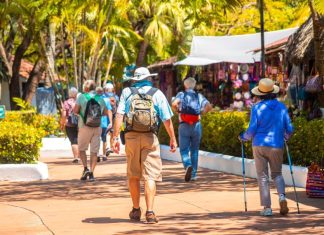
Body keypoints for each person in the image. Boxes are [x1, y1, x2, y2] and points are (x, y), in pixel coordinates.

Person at [112, 67, 177, 224]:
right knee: (150, 175)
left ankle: (135, 210)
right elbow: (166, 119)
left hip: (131, 136)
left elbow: (119, 114)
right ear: (149, 78)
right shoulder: (157, 93)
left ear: (135, 79)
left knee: (133, 174)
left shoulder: (127, 92)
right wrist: (173, 138)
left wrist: (114, 137)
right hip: (150, 137)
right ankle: (150, 212)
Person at [239, 78, 294, 217]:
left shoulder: (257, 107)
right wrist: (286, 138)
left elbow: (252, 129)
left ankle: (267, 208)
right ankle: (282, 197)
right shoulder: (282, 107)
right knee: (277, 174)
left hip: (259, 145)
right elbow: (290, 128)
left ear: (260, 93)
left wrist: (243, 137)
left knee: (262, 176)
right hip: (277, 144)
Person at [172, 77, 212, 182]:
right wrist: (202, 112)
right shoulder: (198, 96)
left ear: (185, 85)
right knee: (194, 150)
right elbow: (209, 106)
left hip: (184, 125)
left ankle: (187, 165)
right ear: (194, 86)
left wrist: (178, 111)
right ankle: (193, 174)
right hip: (196, 125)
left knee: (184, 149)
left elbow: (174, 104)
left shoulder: (181, 94)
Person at [74, 80, 112, 181]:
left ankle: (85, 168)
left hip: (84, 126)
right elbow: (105, 113)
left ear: (86, 89)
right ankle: (91, 173)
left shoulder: (81, 97)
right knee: (94, 151)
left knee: (82, 149)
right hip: (97, 127)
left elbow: (75, 111)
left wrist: (84, 114)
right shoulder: (100, 99)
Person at [60, 87, 79, 164]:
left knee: (73, 141)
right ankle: (81, 156)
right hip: (79, 124)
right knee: (79, 140)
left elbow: (64, 114)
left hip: (70, 124)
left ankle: (76, 157)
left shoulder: (66, 103)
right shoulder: (79, 102)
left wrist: (62, 123)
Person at [96, 86, 113, 162]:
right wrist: (111, 122)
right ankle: (103, 155)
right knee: (104, 139)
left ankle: (97, 154)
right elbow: (109, 111)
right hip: (104, 122)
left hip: (95, 122)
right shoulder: (106, 100)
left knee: (96, 139)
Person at [103, 83, 119, 155]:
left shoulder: (103, 96)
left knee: (105, 133)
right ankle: (111, 147)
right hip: (114, 116)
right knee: (112, 132)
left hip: (104, 117)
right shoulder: (116, 97)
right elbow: (118, 107)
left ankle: (106, 148)